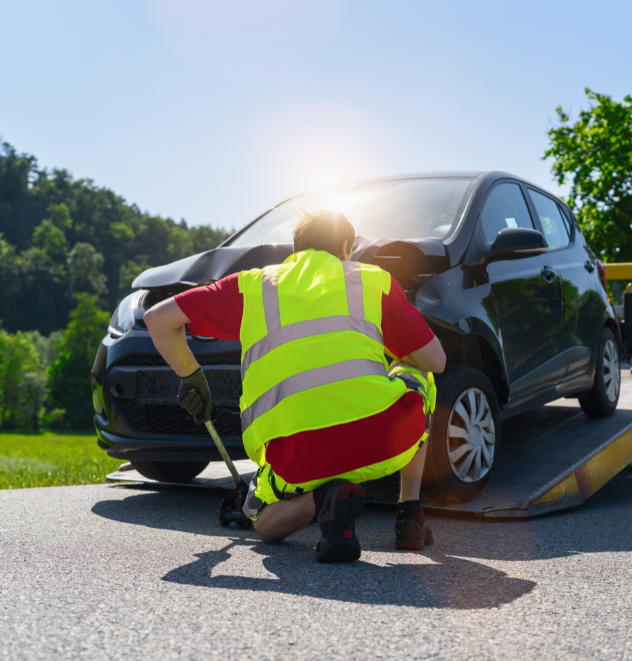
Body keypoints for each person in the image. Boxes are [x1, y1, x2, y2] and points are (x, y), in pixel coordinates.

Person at [144, 210, 446, 563]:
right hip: (378, 440)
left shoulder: (252, 286)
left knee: (263, 524)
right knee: (417, 373)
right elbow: (436, 361)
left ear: (295, 248)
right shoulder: (372, 280)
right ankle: (409, 515)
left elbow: (158, 319)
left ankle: (325, 499)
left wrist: (192, 377)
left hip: (294, 458)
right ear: (346, 247)